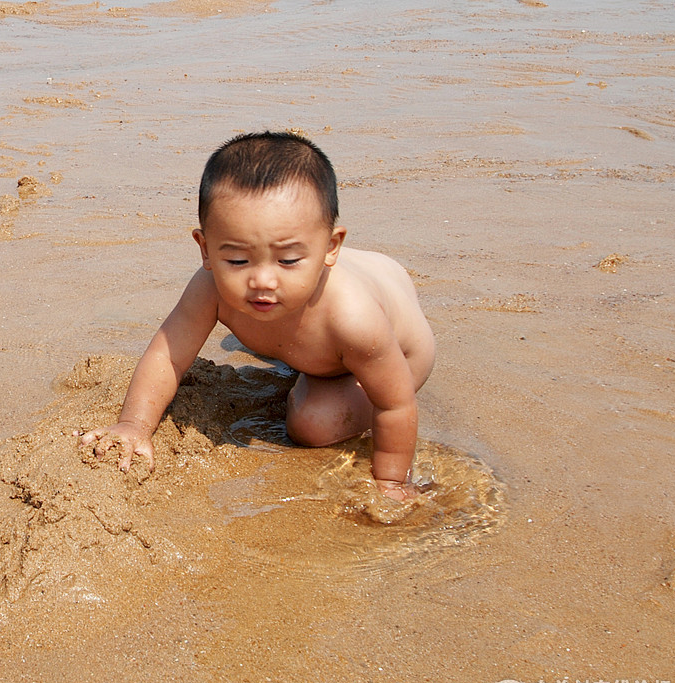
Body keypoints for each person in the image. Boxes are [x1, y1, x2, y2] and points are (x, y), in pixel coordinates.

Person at [78, 131, 435, 501]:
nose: (262, 280)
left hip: (399, 351)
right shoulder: (211, 286)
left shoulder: (352, 317)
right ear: (205, 249)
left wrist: (392, 481)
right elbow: (167, 355)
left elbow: (395, 403)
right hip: (354, 290)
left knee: (312, 423)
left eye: (288, 260)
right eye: (237, 260)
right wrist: (134, 424)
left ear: (331, 248)